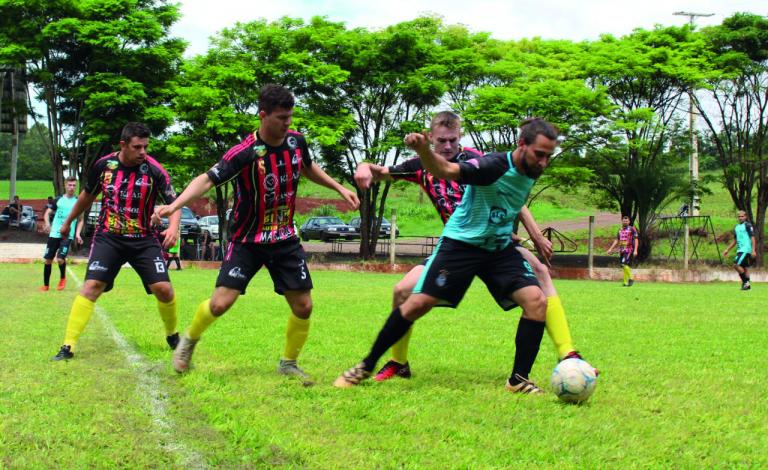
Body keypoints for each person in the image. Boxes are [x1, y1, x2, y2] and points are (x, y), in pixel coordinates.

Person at [354, 111, 584, 382]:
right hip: (457, 247)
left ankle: (567, 353)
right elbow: (382, 172)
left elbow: (513, 192)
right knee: (402, 291)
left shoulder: (479, 159)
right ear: (432, 138)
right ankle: (398, 361)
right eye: (442, 141)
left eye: (453, 139)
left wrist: (535, 234)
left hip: (496, 243)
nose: (448, 146)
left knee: (540, 275)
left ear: (460, 136)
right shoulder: (422, 164)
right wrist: (364, 166)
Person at [157, 84, 359, 385]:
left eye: (290, 117)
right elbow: (206, 180)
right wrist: (174, 205)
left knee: (304, 306)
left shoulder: (296, 141)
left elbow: (308, 166)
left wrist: (339, 187)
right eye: (281, 117)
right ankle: (188, 341)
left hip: (285, 238)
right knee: (220, 304)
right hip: (247, 240)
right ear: (263, 115)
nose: (287, 123)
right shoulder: (244, 153)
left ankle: (289, 363)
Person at [51, 122, 182, 361]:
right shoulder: (104, 166)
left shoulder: (154, 170)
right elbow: (86, 197)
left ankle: (173, 335)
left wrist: (174, 227)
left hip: (143, 239)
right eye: (137, 147)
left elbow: (175, 203)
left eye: (145, 146)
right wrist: (68, 221)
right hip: (109, 237)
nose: (143, 152)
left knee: (164, 289)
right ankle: (67, 346)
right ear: (123, 145)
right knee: (91, 287)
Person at [40, 176, 84, 291]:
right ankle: (45, 285)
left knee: (60, 259)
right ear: (65, 185)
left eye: (74, 185)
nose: (72, 187)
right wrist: (47, 224)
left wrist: (78, 234)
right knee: (48, 260)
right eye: (70, 185)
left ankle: (63, 278)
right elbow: (47, 213)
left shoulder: (78, 201)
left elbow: (80, 220)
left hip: (67, 234)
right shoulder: (58, 200)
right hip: (54, 233)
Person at [722, 210, 756, 291]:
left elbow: (752, 237)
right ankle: (747, 286)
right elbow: (735, 240)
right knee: (745, 267)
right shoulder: (737, 227)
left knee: (736, 265)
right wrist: (727, 250)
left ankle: (745, 283)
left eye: (742, 216)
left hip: (746, 249)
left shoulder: (748, 225)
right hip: (740, 250)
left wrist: (753, 250)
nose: (740, 218)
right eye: (739, 216)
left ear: (745, 217)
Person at [606, 215, 639, 287]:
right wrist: (611, 249)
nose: (625, 222)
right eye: (624, 221)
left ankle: (631, 278)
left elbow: (636, 239)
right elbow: (617, 240)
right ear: (622, 221)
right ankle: (625, 282)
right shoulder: (620, 229)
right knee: (624, 266)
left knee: (624, 264)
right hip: (622, 250)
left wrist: (635, 250)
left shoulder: (632, 229)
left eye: (627, 221)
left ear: (629, 221)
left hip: (629, 250)